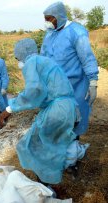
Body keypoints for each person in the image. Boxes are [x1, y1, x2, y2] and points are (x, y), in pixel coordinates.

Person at [0, 38, 88, 185]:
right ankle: (68, 157)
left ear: (22, 54)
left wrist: (9, 108)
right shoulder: (44, 61)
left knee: (37, 146)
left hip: (57, 110)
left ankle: (46, 183)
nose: (18, 62)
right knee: (48, 142)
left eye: (17, 58)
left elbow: (34, 91)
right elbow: (43, 90)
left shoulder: (31, 62)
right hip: (68, 107)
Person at [41, 1, 99, 138]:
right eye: (45, 19)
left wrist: (93, 82)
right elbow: (43, 58)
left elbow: (87, 58)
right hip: (55, 88)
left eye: (50, 19)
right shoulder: (49, 34)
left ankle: (72, 155)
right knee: (58, 122)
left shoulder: (76, 32)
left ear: (59, 16)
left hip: (75, 86)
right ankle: (61, 153)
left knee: (73, 121)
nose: (47, 22)